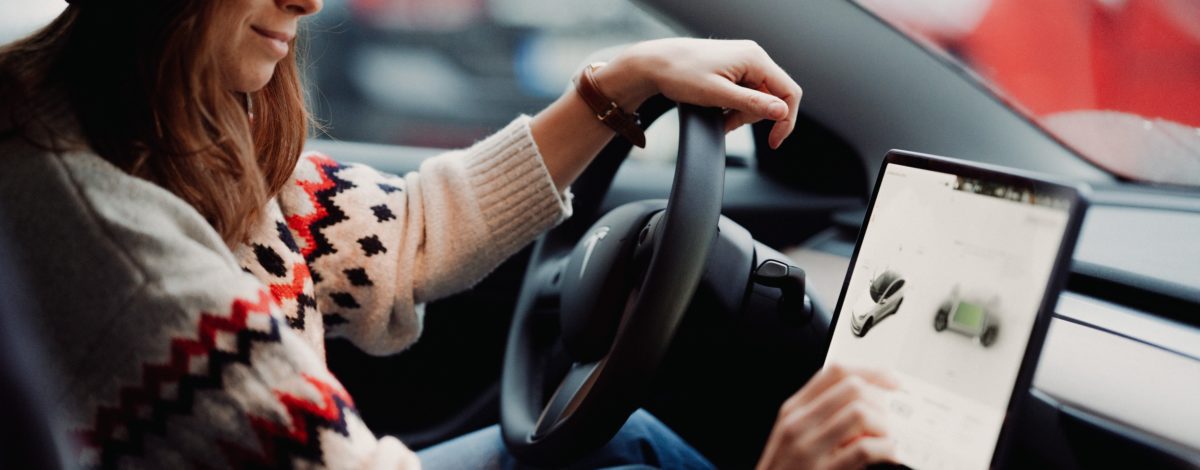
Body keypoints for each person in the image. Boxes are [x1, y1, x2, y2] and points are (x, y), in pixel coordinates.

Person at [0, 0, 897, 468]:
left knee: (632, 446)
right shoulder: (122, 256)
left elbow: (404, 236)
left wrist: (615, 87)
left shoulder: (144, 127)